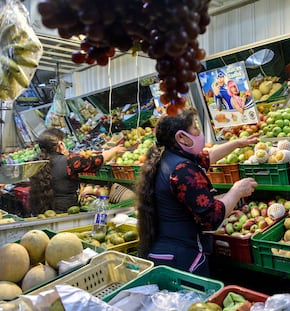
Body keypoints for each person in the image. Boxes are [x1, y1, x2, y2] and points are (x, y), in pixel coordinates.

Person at [136, 107, 258, 276]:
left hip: (164, 250)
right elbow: (212, 217)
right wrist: (236, 191)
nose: (199, 132)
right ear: (181, 137)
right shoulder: (182, 170)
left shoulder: (167, 156)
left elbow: (207, 157)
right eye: (195, 128)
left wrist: (237, 143)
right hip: (182, 259)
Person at [29, 128, 126, 215]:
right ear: (61, 144)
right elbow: (97, 160)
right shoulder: (69, 161)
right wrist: (115, 150)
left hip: (44, 212)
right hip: (67, 213)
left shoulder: (35, 163)